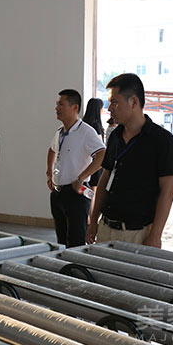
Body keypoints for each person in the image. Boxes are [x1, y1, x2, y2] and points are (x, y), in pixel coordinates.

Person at [86, 73, 173, 248]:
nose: (110, 108)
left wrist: (155, 235)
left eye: (115, 102)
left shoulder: (162, 141)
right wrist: (94, 220)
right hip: (106, 228)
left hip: (138, 234)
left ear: (134, 102)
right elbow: (105, 177)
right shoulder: (115, 136)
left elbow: (168, 191)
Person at [46, 89, 105, 248]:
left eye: (61, 104)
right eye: (57, 104)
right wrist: (49, 173)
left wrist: (81, 177)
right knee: (61, 241)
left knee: (76, 241)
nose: (57, 108)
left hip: (76, 194)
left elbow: (102, 155)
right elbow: (52, 149)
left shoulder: (86, 131)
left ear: (75, 107)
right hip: (58, 193)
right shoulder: (60, 131)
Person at [82, 97, 105, 188]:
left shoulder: (83, 124)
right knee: (93, 190)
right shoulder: (96, 125)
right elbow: (100, 146)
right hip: (95, 163)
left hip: (85, 162)